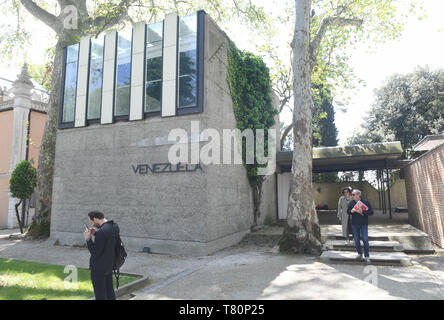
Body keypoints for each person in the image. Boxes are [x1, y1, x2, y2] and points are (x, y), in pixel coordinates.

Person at [83, 211, 119, 300]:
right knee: (110, 293)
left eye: (91, 222)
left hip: (98, 269)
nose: (92, 224)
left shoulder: (102, 232)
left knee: (100, 295)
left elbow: (95, 252)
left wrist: (88, 239)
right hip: (109, 266)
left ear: (95, 219)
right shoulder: (114, 226)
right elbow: (107, 241)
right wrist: (95, 233)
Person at [347, 189, 373, 264]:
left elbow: (371, 212)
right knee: (356, 240)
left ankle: (367, 256)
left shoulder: (365, 202)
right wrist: (351, 211)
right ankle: (359, 253)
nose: (352, 196)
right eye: (352, 194)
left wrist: (363, 212)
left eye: (353, 194)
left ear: (358, 195)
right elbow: (348, 212)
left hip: (364, 224)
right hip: (354, 224)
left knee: (365, 240)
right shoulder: (351, 203)